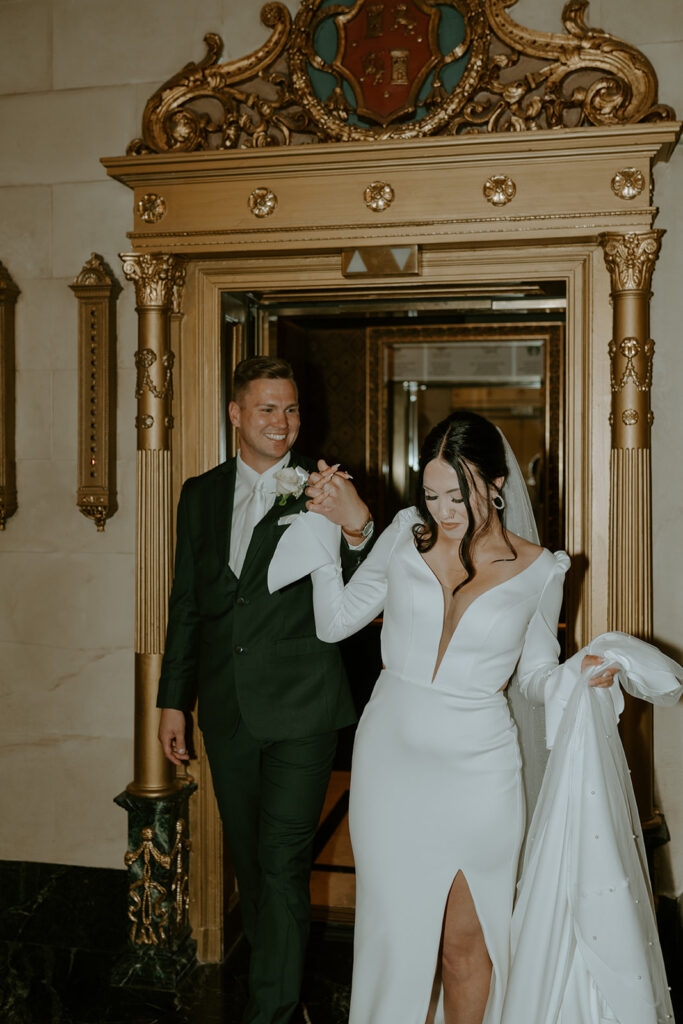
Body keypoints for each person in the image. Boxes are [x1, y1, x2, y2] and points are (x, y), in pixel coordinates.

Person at [268, 409, 619, 1024]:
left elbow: (535, 677)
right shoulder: (406, 532)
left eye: (459, 494)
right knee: (393, 941)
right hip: (389, 761)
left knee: (467, 945)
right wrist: (326, 541)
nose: (444, 510)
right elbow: (337, 620)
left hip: (480, 771)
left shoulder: (542, 569)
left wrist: (579, 677)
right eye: (431, 493)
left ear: (497, 484)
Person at [156, 355, 374, 1024]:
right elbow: (188, 602)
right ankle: (282, 992)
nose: (283, 423)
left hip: (302, 706)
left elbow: (374, 581)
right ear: (235, 414)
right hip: (226, 708)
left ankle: (272, 1011)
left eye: (292, 409)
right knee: (251, 862)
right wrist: (173, 699)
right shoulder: (199, 493)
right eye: (267, 409)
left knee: (280, 862)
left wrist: (357, 523)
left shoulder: (320, 486)